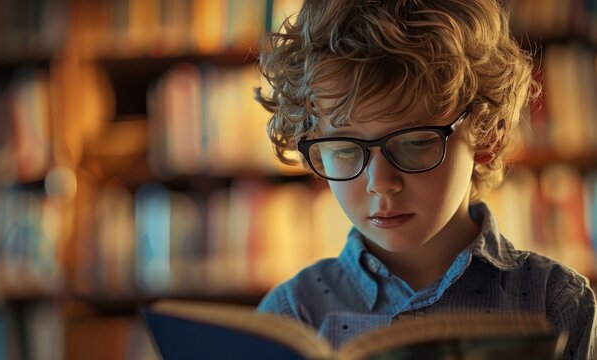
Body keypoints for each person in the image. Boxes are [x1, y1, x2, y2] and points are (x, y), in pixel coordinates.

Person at [253, 0, 596, 359]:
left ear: (487, 134)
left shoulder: (554, 301)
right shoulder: (291, 315)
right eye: (344, 149)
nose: (380, 183)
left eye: (415, 143)